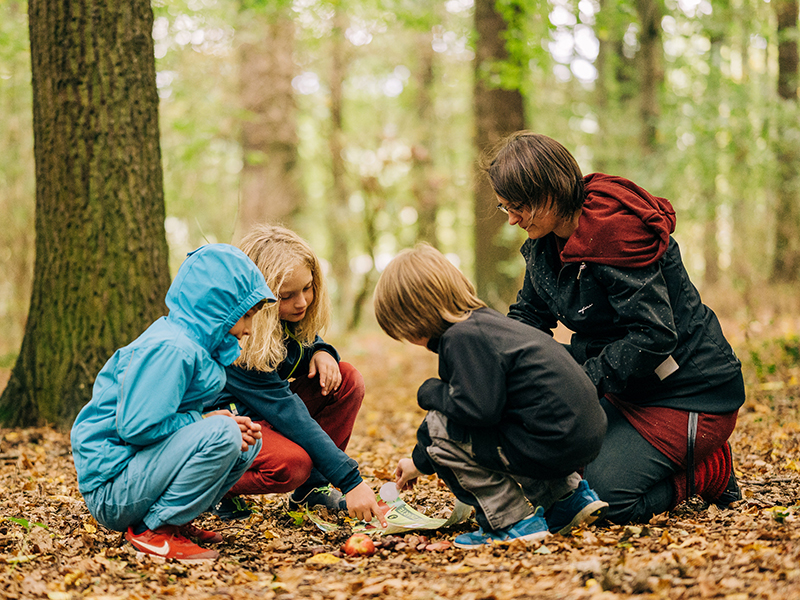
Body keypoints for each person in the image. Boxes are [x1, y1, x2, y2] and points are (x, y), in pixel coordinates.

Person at [482, 131, 745, 524]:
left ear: (550, 195)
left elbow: (653, 336)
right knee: (561, 469)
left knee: (605, 502)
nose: (513, 219)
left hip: (689, 391)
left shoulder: (616, 235)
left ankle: (710, 470)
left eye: (519, 207)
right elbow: (530, 317)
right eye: (506, 208)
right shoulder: (546, 241)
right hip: (623, 383)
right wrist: (493, 365)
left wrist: (578, 386)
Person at [373, 244, 608, 548]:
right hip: (578, 434)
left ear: (414, 315)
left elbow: (474, 412)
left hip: (550, 440)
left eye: (402, 330)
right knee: (506, 422)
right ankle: (568, 500)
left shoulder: (461, 338)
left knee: (439, 427)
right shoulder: (488, 326)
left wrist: (428, 391)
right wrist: (419, 461)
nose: (407, 339)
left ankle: (509, 521)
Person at [70, 244, 275, 561]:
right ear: (217, 308)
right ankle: (155, 530)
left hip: (134, 477)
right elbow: (137, 428)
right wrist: (205, 423)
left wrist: (207, 420)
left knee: (247, 439)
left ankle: (176, 521)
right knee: (225, 432)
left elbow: (167, 417)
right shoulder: (172, 349)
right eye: (246, 316)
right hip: (112, 489)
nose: (249, 329)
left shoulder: (192, 347)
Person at [205, 224, 386, 527]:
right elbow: (289, 413)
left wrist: (322, 351)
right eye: (286, 295)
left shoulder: (286, 318)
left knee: (346, 378)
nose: (301, 302)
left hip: (262, 417)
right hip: (225, 427)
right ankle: (205, 486)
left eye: (307, 288)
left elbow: (301, 345)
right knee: (291, 464)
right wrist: (351, 481)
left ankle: (312, 491)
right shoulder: (239, 342)